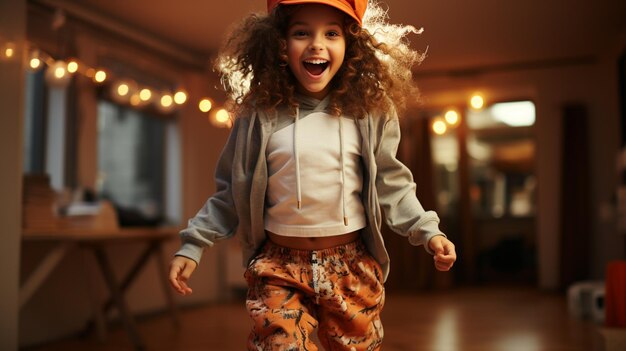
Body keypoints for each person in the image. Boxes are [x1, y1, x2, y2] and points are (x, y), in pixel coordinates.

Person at [169, 0, 457, 350]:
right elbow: (231, 191)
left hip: (351, 266)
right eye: (301, 32)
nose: (317, 44)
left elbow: (392, 186)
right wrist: (193, 244)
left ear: (350, 46)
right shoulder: (258, 115)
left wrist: (427, 231)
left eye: (331, 33)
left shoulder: (369, 112)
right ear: (279, 43)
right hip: (279, 267)